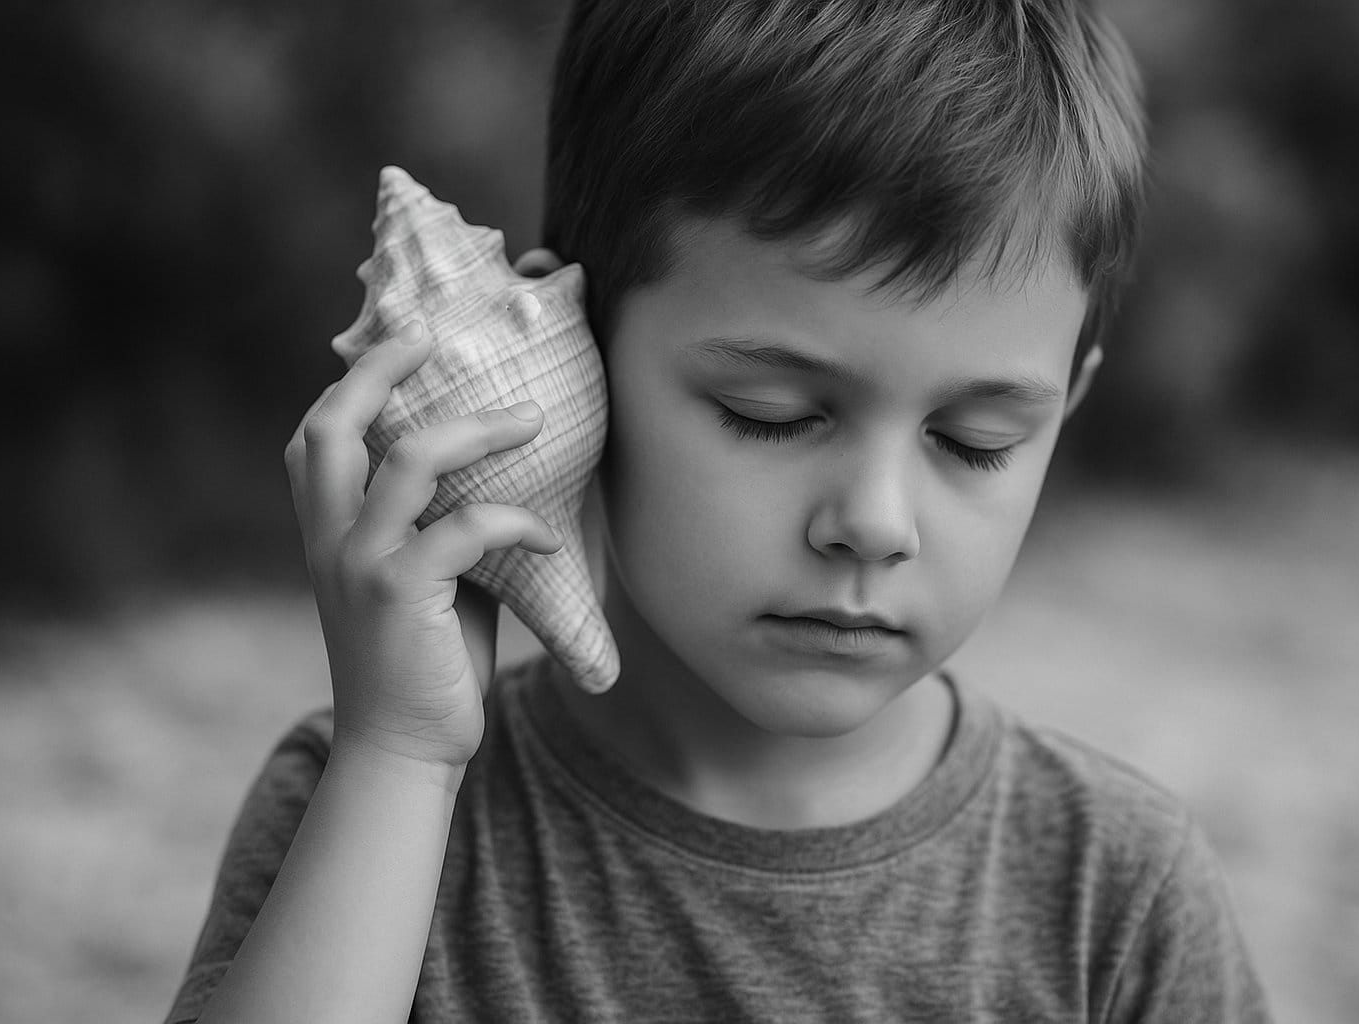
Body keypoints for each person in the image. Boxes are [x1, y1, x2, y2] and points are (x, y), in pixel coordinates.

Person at [169, 1, 1272, 1021]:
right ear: (576, 355)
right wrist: (402, 756)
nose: (876, 522)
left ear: (1064, 409)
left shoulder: (1112, 889)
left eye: (975, 441)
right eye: (774, 412)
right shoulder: (364, 805)